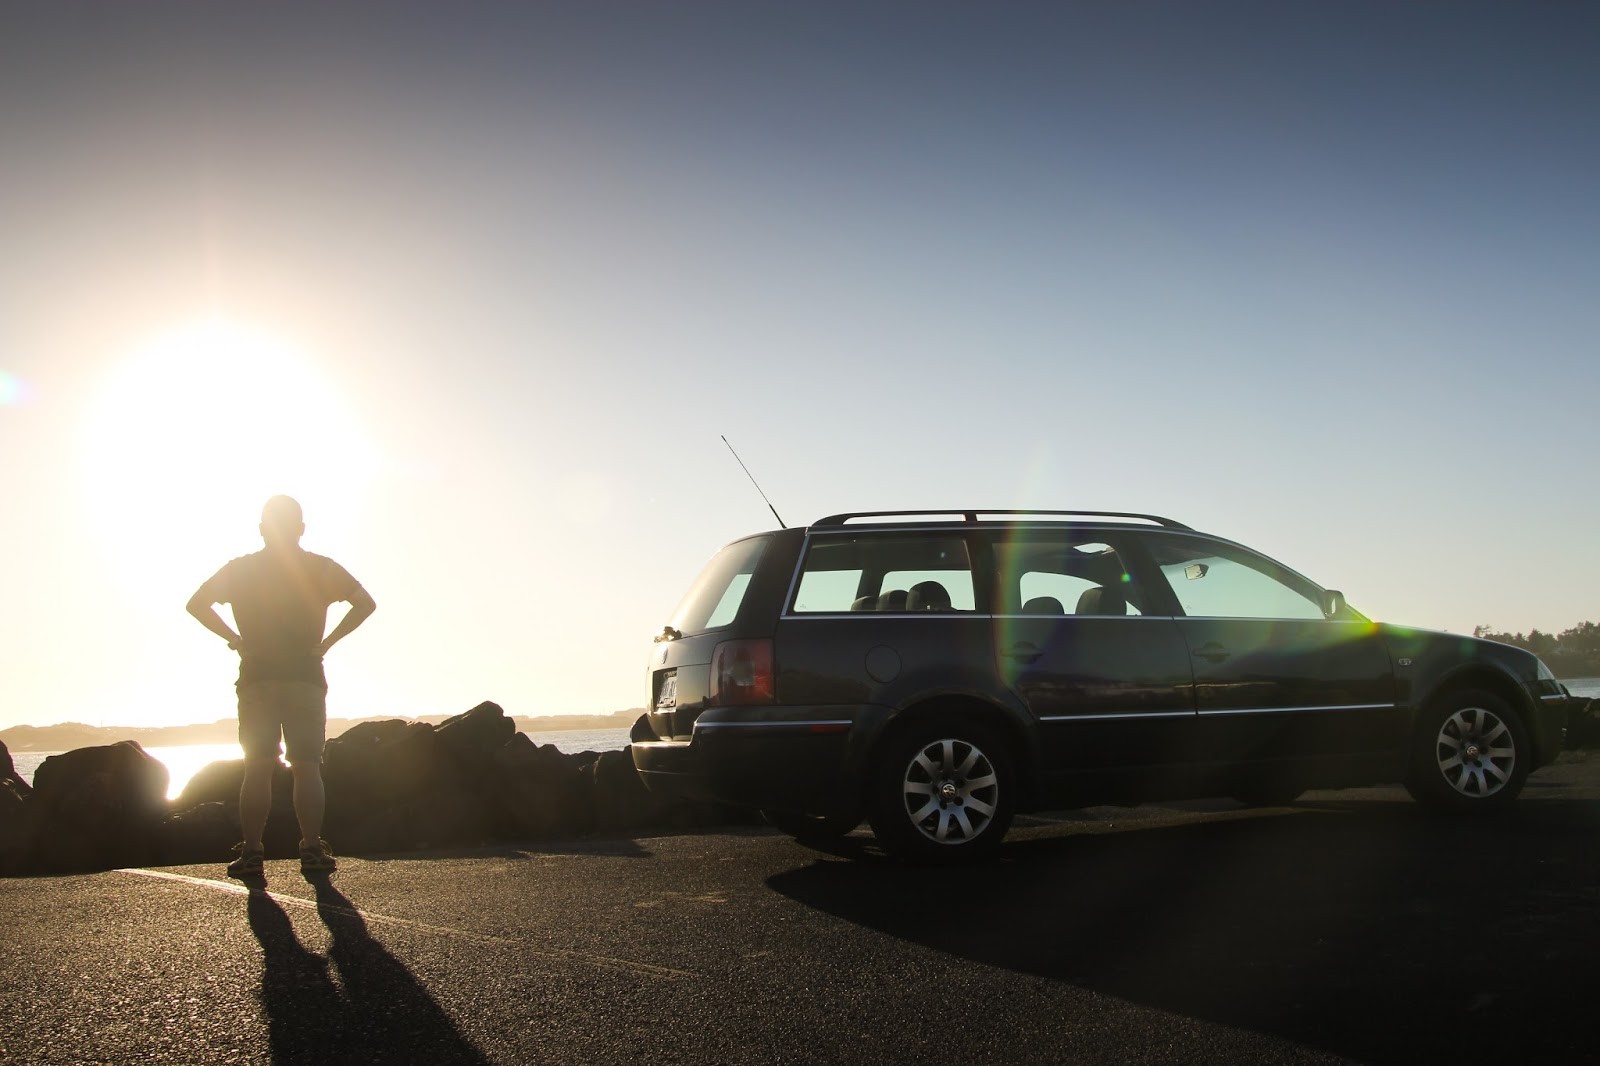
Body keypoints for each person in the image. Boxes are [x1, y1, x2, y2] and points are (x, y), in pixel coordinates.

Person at [187, 496, 375, 879]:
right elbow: (364, 603)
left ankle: (253, 851)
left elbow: (197, 604)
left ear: (261, 529)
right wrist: (328, 642)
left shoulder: (240, 570)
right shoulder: (320, 568)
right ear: (301, 528)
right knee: (307, 767)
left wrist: (235, 639)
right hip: (305, 676)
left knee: (256, 768)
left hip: (257, 677)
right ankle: (311, 848)